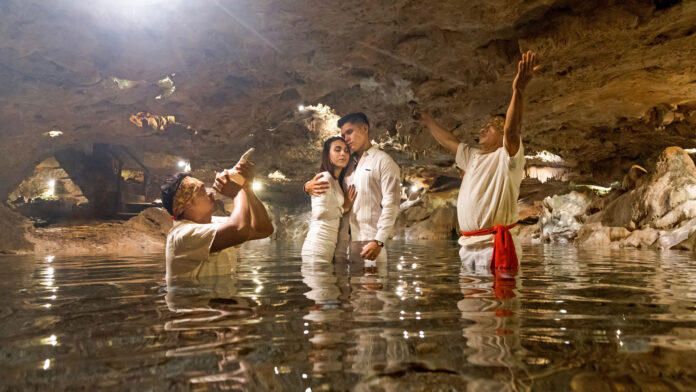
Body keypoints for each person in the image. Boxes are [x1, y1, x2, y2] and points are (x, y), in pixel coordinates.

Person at [414, 50, 539, 270]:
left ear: (501, 134)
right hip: (468, 246)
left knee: (498, 303)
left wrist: (518, 91)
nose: (483, 127)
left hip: (494, 246)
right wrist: (428, 120)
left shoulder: (507, 157)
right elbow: (449, 141)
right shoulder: (473, 156)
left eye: (490, 126)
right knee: (471, 303)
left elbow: (512, 130)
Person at [304, 112, 401, 263]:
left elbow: (392, 204)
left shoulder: (384, 162)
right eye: (343, 135)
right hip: (344, 246)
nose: (346, 139)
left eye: (350, 132)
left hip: (371, 242)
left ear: (364, 129)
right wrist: (306, 186)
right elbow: (328, 179)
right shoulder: (347, 165)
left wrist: (379, 241)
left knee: (371, 286)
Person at [160, 160, 274, 286]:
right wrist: (237, 192)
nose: (210, 192)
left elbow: (264, 229)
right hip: (194, 304)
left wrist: (246, 188)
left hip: (220, 302)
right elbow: (239, 230)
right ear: (188, 204)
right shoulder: (182, 234)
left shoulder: (214, 223)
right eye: (202, 191)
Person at [301, 137, 357, 261]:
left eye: (346, 151)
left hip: (327, 246)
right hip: (317, 246)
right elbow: (320, 213)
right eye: (337, 150)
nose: (343, 153)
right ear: (328, 155)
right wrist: (344, 208)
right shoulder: (325, 178)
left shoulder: (335, 181)